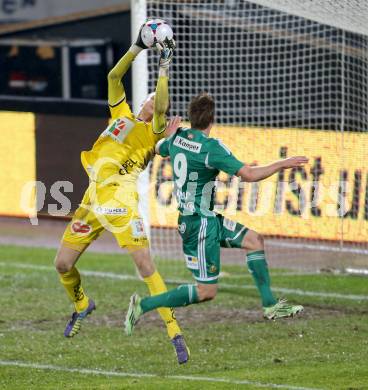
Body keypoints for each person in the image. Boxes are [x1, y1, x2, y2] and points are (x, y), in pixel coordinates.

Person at [54, 29, 190, 364]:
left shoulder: (153, 131)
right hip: (91, 201)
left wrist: (164, 65)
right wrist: (137, 47)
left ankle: (175, 332)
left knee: (145, 265)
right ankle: (83, 305)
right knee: (62, 264)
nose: (153, 103)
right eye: (148, 100)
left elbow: (161, 104)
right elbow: (114, 75)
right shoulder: (121, 116)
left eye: (157, 103)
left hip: (121, 201)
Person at [125, 92, 308, 335]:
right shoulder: (212, 148)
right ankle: (142, 305)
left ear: (190, 117)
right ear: (212, 119)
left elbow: (158, 148)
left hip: (204, 219)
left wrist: (168, 137)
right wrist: (281, 164)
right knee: (206, 292)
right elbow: (249, 175)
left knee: (254, 240)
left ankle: (270, 305)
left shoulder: (178, 137)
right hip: (200, 225)